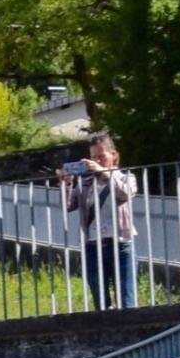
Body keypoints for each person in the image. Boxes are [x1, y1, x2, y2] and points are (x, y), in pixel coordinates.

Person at [61, 132, 137, 310]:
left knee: (127, 301)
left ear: (114, 155)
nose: (97, 161)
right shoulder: (86, 183)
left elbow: (125, 193)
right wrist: (67, 183)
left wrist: (104, 172)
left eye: (101, 156)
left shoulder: (126, 177)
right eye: (93, 157)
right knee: (101, 303)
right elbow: (67, 205)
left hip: (121, 244)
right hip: (93, 246)